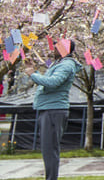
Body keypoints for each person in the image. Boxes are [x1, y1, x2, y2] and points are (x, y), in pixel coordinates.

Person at [25, 42, 81, 180]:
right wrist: (34, 71)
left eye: (56, 47)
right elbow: (48, 82)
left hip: (53, 110)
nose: (53, 49)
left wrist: (33, 75)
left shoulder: (66, 65)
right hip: (49, 108)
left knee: (50, 149)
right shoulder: (59, 63)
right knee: (47, 149)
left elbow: (53, 82)